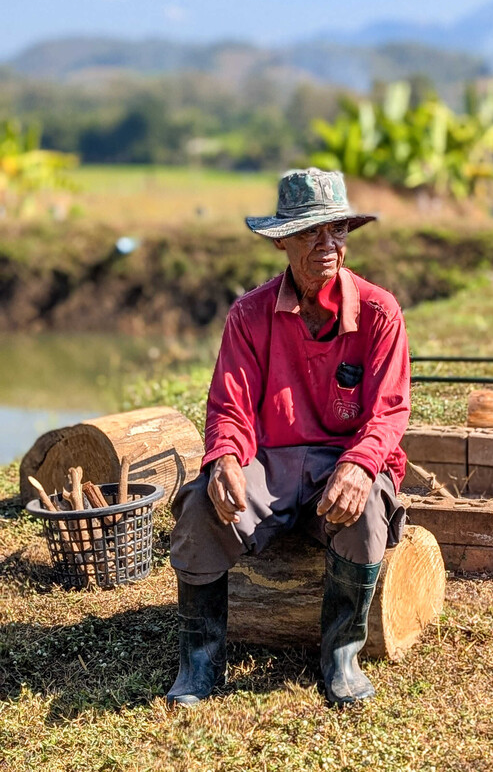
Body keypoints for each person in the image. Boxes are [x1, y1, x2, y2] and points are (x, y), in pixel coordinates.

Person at [167, 167, 411, 707]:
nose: (328, 245)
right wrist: (226, 458)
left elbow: (390, 411)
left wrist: (362, 463)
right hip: (271, 463)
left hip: (341, 462)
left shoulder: (379, 312)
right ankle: (199, 660)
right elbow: (228, 409)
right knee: (202, 505)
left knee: (367, 504)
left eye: (338, 230)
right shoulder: (248, 315)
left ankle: (341, 656)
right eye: (311, 232)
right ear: (281, 238)